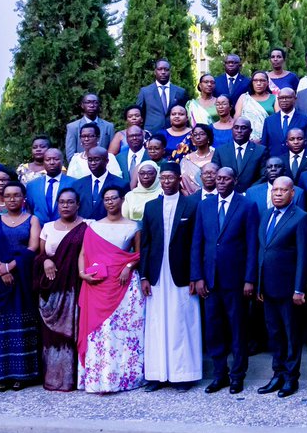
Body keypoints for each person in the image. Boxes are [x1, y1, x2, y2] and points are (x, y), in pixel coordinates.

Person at [192, 168, 259, 395]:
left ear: (235, 180)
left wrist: (250, 279)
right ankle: (219, 374)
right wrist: (198, 276)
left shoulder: (247, 205)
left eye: (226, 178)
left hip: (236, 279)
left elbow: (252, 245)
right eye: (218, 178)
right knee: (213, 329)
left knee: (237, 328)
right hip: (210, 279)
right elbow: (197, 243)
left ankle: (237, 375)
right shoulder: (205, 205)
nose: (220, 182)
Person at [138, 162, 203, 390]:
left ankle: (184, 374)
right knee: (156, 323)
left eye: (170, 178)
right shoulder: (151, 207)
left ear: (178, 179)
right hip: (156, 273)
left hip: (182, 274)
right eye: (163, 178)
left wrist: (196, 276)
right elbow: (145, 244)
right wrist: (144, 276)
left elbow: (197, 244)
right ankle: (157, 374)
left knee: (182, 322)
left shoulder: (192, 206)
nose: (166, 182)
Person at [77, 187, 145, 393]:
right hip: (97, 286)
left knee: (123, 333)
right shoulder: (93, 227)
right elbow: (82, 254)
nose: (110, 202)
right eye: (106, 199)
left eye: (114, 198)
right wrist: (82, 273)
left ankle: (124, 378)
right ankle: (98, 379)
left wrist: (128, 267)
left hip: (123, 287)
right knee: (99, 332)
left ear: (122, 200)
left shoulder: (134, 226)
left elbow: (140, 254)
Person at [0, 181, 42, 390]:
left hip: (22, 277)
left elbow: (33, 247)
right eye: (8, 196)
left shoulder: (32, 220)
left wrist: (10, 267)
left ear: (23, 198)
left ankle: (21, 375)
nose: (12, 199)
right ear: (2, 199)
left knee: (20, 325)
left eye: (16, 195)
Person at [256, 177, 307, 397]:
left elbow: (303, 256)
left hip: (289, 289)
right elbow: (263, 250)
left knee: (291, 334)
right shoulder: (267, 214)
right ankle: (277, 374)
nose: (278, 193)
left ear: (292, 193)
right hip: (268, 287)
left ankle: (291, 378)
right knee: (274, 333)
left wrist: (299, 288)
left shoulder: (301, 218)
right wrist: (259, 283)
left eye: (283, 190)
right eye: (275, 190)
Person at [34, 187, 85, 392]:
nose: (65, 205)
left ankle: (74, 378)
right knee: (53, 336)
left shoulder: (88, 226)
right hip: (53, 290)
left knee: (74, 332)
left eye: (70, 202)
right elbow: (39, 255)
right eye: (62, 202)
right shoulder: (47, 227)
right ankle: (54, 378)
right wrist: (46, 260)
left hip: (76, 288)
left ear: (78, 204)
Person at [71, 147, 127, 221]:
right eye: (90, 160)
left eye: (96, 159)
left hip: (110, 228)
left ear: (106, 161)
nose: (93, 163)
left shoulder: (121, 184)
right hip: (83, 229)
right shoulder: (77, 185)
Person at [215, 118, 267, 193]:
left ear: (250, 131)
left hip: (251, 195)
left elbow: (264, 176)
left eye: (243, 128)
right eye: (236, 128)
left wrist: (249, 192)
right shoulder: (220, 151)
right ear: (232, 130)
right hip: (227, 195)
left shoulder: (260, 151)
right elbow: (216, 174)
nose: (239, 131)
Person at [137, 59, 187, 136]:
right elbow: (139, 114)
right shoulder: (145, 92)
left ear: (170, 72)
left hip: (174, 133)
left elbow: (184, 114)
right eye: (160, 69)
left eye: (166, 69)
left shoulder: (180, 92)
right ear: (155, 71)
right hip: (151, 134)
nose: (163, 72)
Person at [260, 88, 307, 158]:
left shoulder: (306, 120)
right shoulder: (269, 121)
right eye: (281, 98)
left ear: (295, 99)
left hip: (296, 163)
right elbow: (264, 145)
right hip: (274, 164)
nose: (284, 100)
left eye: (288, 98)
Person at [65, 93, 114, 163]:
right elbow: (70, 154)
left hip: (103, 167)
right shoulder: (73, 127)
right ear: (82, 105)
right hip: (81, 169)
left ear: (99, 105)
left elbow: (112, 152)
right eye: (88, 102)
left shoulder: (108, 126)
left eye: (95, 102)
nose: (91, 105)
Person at [234, 71, 277, 142]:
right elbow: (237, 119)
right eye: (255, 80)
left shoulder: (274, 98)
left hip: (268, 139)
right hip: (245, 139)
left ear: (267, 83)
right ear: (252, 83)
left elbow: (277, 120)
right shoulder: (244, 98)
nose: (259, 83)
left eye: (262, 80)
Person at [26, 149, 67, 224]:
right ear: (43, 163)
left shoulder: (75, 183)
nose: (52, 162)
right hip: (39, 230)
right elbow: (30, 209)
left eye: (56, 159)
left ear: (62, 161)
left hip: (67, 230)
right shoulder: (31, 185)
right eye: (48, 160)